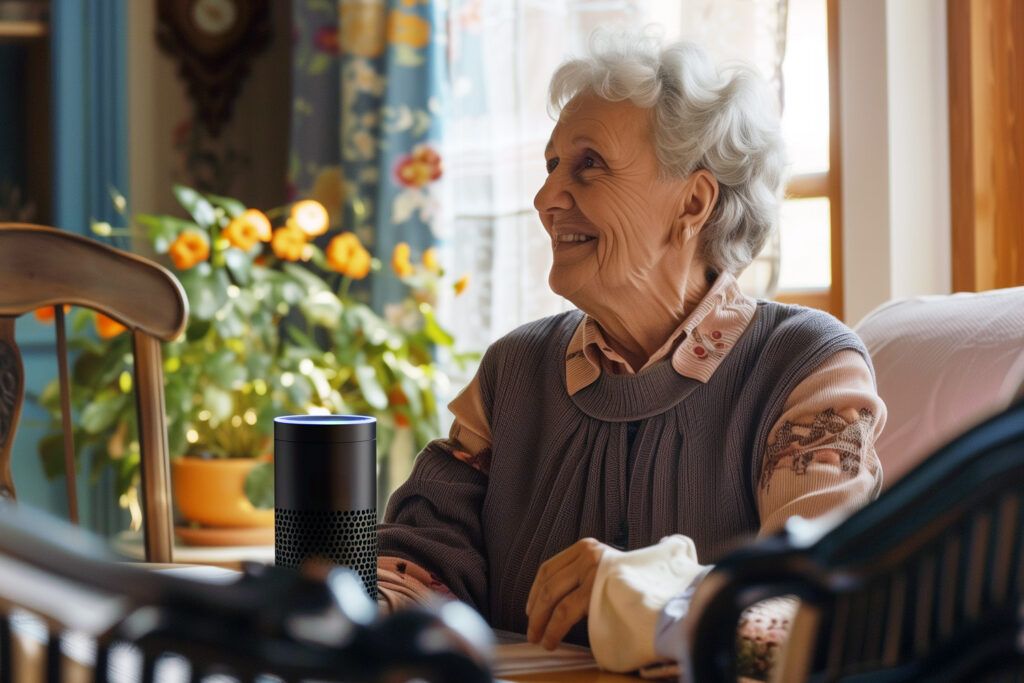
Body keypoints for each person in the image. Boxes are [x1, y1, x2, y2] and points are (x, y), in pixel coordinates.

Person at [376, 32, 885, 673]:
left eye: (588, 163)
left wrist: (650, 594)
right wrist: (358, 609)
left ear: (694, 201)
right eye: (551, 165)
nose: (546, 198)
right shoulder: (513, 371)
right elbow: (420, 558)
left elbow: (817, 609)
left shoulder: (805, 368)